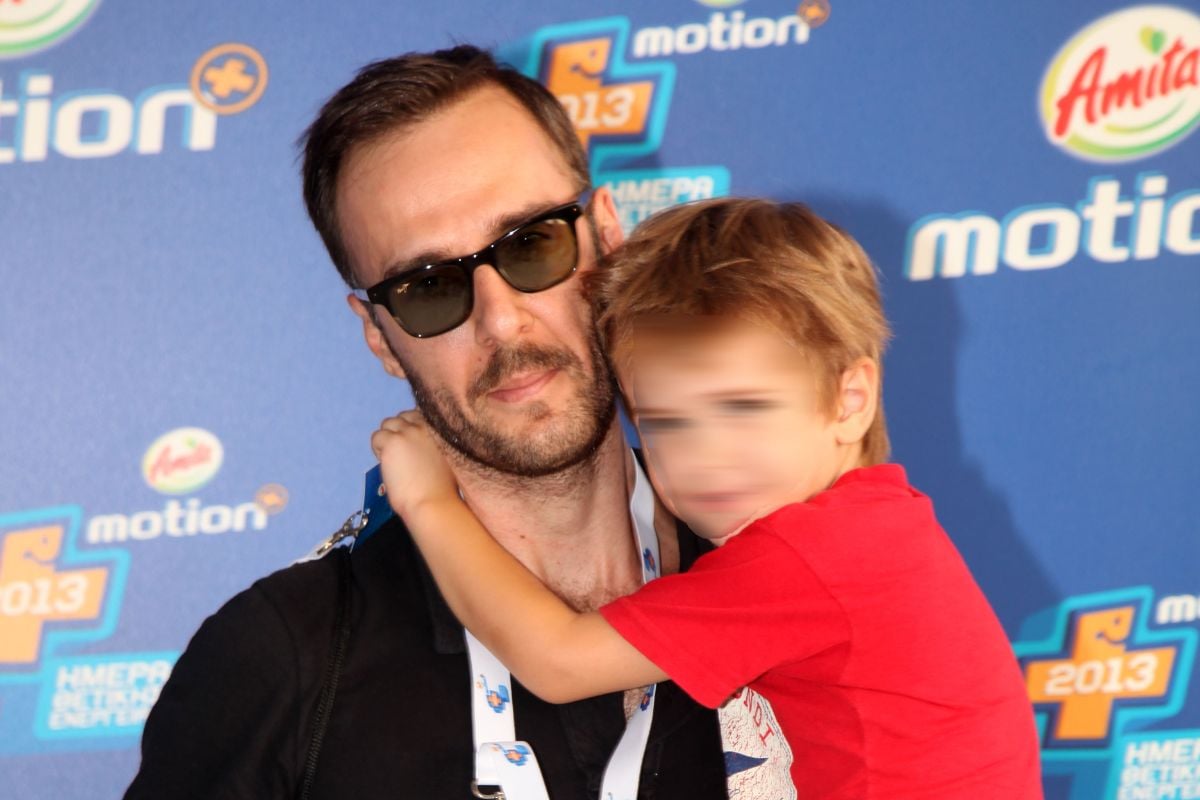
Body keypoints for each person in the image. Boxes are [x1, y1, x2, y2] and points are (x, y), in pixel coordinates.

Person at [124, 46, 743, 798]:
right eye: (429, 287)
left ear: (608, 238)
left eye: (532, 244)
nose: (500, 321)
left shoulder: (786, 573)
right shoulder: (279, 662)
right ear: (381, 337)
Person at [374, 198, 1045, 799]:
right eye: (667, 423)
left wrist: (429, 503)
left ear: (850, 401)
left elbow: (557, 661)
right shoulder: (877, 526)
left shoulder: (802, 558)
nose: (704, 456)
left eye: (742, 408)